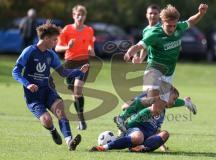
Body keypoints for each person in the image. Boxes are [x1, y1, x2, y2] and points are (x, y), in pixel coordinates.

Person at [115, 4, 208, 131]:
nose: (172, 28)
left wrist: (201, 14)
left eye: (174, 25)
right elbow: (138, 46)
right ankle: (122, 118)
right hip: (154, 70)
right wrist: (129, 53)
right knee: (152, 100)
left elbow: (191, 21)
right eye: (169, 25)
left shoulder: (178, 28)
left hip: (168, 74)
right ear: (162, 22)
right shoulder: (154, 33)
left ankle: (186, 102)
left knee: (157, 109)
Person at [12, 22, 89, 151]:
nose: (55, 43)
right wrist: (28, 84)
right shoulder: (29, 51)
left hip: (48, 91)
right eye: (54, 40)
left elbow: (63, 72)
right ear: (46, 38)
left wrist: (79, 71)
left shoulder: (51, 54)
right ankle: (53, 130)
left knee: (60, 111)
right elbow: (15, 72)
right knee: (47, 120)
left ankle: (69, 142)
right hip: (33, 96)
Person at [132, 4, 197, 114]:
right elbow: (145, 47)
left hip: (167, 71)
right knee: (153, 102)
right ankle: (128, 117)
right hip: (154, 70)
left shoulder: (167, 27)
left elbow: (187, 24)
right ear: (146, 15)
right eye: (150, 13)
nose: (153, 16)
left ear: (160, 17)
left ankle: (185, 103)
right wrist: (139, 58)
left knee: (164, 103)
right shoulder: (147, 30)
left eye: (155, 13)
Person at [90, 86, 179, 152]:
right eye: (174, 99)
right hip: (134, 130)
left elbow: (157, 129)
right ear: (165, 96)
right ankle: (104, 147)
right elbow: (127, 106)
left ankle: (140, 148)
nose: (174, 102)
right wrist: (122, 127)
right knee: (139, 137)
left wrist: (162, 145)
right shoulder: (150, 102)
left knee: (165, 134)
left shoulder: (162, 112)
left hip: (148, 136)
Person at [55, 4, 95, 130]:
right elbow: (57, 47)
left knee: (78, 89)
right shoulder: (67, 30)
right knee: (75, 94)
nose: (80, 17)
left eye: (82, 15)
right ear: (73, 16)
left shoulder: (89, 30)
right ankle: (81, 119)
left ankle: (82, 121)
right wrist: (68, 47)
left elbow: (91, 47)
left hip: (83, 62)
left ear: (85, 16)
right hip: (69, 63)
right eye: (78, 15)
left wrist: (91, 50)